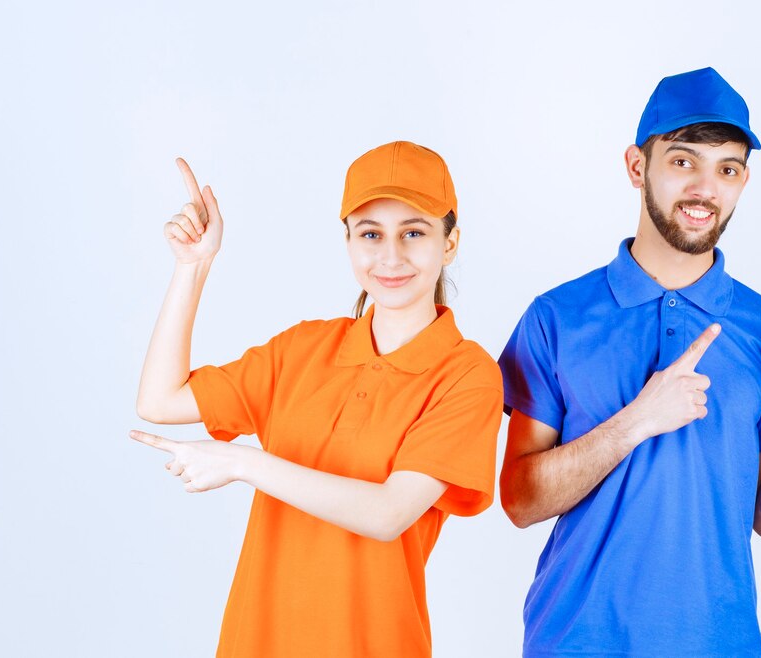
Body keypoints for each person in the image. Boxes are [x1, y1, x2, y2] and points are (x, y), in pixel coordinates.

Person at [498, 67, 761, 657]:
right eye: (682, 161)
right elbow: (520, 500)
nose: (705, 187)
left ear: (744, 180)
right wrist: (636, 421)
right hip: (574, 640)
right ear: (636, 166)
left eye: (727, 168)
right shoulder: (557, 317)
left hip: (718, 643)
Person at [131, 141, 502, 657]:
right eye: (371, 234)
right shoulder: (303, 349)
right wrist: (192, 268)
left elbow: (388, 513)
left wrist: (243, 462)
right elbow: (160, 400)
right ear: (348, 241)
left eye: (413, 233)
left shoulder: (467, 375)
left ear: (450, 242)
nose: (390, 257)